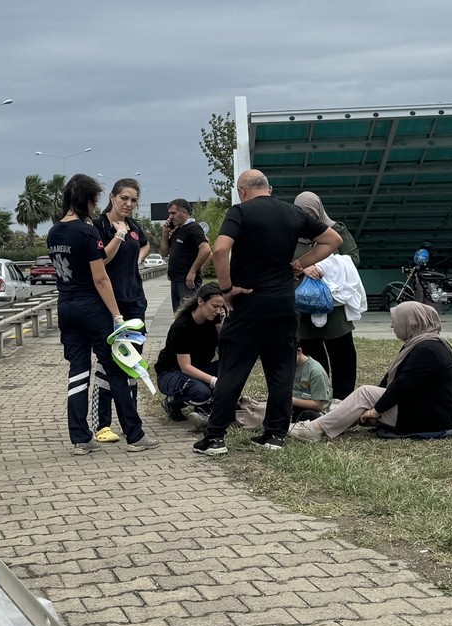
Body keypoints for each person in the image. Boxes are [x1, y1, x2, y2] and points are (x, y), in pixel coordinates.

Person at [193, 170, 343, 456]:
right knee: (280, 372)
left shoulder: (240, 212)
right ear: (268, 189)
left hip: (249, 304)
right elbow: (332, 239)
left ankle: (215, 438)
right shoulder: (293, 213)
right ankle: (274, 434)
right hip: (284, 305)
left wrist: (226, 289)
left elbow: (221, 248)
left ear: (242, 190)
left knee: (233, 372)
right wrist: (300, 263)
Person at [47, 175, 156, 454]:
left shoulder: (54, 232)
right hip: (91, 308)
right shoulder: (87, 232)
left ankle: (81, 440)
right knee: (117, 369)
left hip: (65, 307)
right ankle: (135, 436)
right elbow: (101, 278)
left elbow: (84, 264)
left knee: (78, 373)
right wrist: (117, 315)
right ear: (88, 200)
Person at [288, 301, 452, 442]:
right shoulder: (420, 344)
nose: (391, 326)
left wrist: (375, 411)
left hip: (430, 418)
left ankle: (314, 429)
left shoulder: (427, 349)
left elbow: (402, 386)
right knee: (348, 403)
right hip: (422, 409)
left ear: (410, 324)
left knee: (365, 393)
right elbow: (389, 380)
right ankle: (321, 422)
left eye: (395, 322)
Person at [90, 178, 156, 448]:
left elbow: (144, 243)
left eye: (133, 200)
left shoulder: (133, 226)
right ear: (112, 197)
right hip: (109, 304)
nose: (129, 204)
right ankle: (102, 424)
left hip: (134, 302)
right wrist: (117, 236)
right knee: (109, 365)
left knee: (132, 365)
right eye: (124, 198)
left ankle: (131, 417)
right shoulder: (99, 226)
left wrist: (138, 259)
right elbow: (101, 260)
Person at [293, 191, 361, 399]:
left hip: (333, 305)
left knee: (342, 354)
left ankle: (343, 399)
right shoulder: (290, 233)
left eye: (310, 214)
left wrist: (323, 266)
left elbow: (353, 258)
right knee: (312, 355)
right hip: (304, 306)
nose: (306, 219)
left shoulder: (335, 230)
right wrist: (302, 268)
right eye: (301, 214)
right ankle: (319, 398)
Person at [153, 283, 226, 421]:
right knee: (202, 392)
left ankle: (204, 406)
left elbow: (224, 354)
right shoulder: (182, 326)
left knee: (229, 367)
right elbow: (185, 367)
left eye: (221, 307)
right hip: (171, 373)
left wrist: (221, 329)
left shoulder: (213, 321)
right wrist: (213, 381)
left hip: (198, 368)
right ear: (200, 302)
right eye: (214, 306)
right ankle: (172, 402)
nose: (218, 311)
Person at [161, 198, 213, 310]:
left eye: (173, 213)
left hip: (187, 282)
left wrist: (193, 271)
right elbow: (165, 252)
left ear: (184, 212)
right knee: (179, 315)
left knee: (188, 314)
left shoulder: (193, 228)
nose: (170, 217)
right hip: (176, 280)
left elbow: (206, 250)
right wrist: (166, 233)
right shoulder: (178, 230)